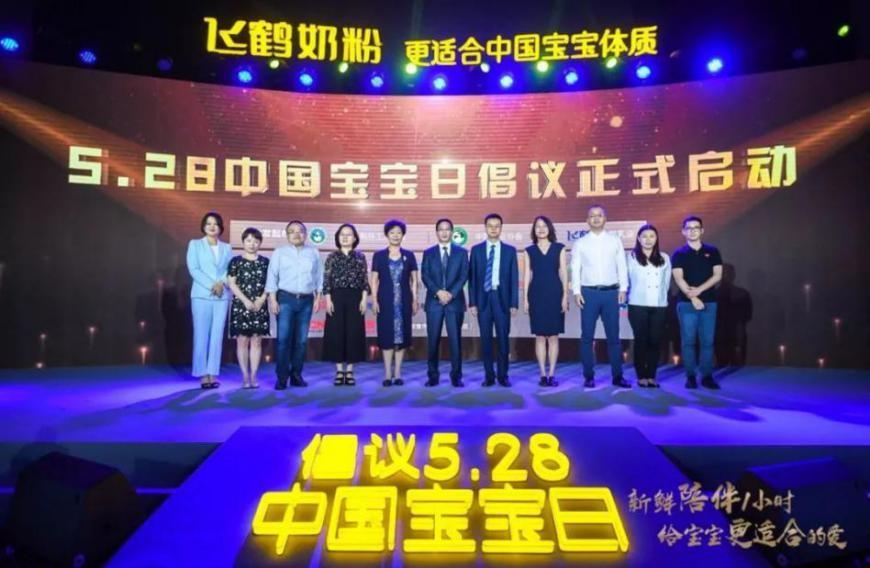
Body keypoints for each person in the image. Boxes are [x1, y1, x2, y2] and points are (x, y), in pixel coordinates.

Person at [570, 205, 631, 389]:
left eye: (599, 215)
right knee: (587, 337)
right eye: (592, 216)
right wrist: (576, 291)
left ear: (605, 219)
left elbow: (622, 265)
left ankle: (617, 376)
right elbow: (575, 268)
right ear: (587, 220)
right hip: (588, 293)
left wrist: (623, 288)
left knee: (614, 337)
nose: (596, 218)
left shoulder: (615, 240)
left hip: (611, 293)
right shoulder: (580, 243)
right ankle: (588, 376)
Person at [265, 220, 323, 389]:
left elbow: (319, 276)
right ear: (287, 235)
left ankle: (296, 375)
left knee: (301, 341)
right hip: (285, 299)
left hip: (306, 300)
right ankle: (282, 377)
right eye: (292, 231)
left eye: (300, 231)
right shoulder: (280, 252)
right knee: (283, 340)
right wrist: (273, 299)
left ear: (305, 234)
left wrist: (318, 297)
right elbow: (272, 276)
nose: (297, 234)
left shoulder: (313, 252)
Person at [672, 215, 723, 389]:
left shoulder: (712, 251)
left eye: (696, 228)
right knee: (688, 341)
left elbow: (717, 275)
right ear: (683, 231)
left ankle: (707, 376)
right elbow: (678, 278)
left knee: (707, 341)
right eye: (689, 228)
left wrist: (699, 291)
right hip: (686, 303)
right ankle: (691, 376)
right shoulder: (679, 253)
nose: (692, 231)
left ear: (702, 230)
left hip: (709, 302)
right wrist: (693, 297)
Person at [469, 213, 518, 387]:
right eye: (490, 226)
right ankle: (489, 376)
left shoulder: (510, 251)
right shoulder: (476, 250)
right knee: (486, 340)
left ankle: (503, 375)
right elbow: (472, 279)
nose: (493, 229)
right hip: (483, 299)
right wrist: (472, 302)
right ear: (485, 228)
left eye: (497, 226)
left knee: (503, 339)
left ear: (501, 228)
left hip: (502, 299)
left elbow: (513, 278)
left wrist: (514, 303)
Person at [421, 218, 469, 387]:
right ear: (436, 232)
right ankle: (433, 376)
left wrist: (451, 293)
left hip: (454, 302)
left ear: (452, 232)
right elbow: (425, 275)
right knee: (433, 341)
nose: (444, 232)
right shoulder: (429, 253)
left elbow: (464, 275)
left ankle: (456, 376)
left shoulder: (461, 253)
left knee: (455, 341)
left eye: (447, 229)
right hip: (434, 302)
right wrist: (438, 292)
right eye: (441, 229)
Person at [186, 211, 231, 389]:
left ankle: (213, 373)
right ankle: (202, 374)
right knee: (201, 334)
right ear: (203, 226)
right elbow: (194, 269)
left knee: (217, 336)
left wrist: (221, 283)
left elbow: (230, 270)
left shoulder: (226, 247)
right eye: (208, 223)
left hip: (222, 296)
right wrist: (212, 285)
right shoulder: (195, 244)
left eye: (215, 224)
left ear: (220, 227)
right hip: (202, 295)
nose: (212, 227)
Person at [370, 220, 419, 387]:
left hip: (403, 301)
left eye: (399, 232)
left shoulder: (409, 255)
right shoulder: (379, 256)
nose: (396, 236)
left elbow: (414, 280)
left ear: (403, 235)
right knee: (386, 337)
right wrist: (374, 300)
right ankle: (387, 374)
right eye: (392, 232)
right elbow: (374, 280)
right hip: (385, 301)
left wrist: (415, 299)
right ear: (387, 235)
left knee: (401, 337)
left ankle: (397, 373)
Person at [322, 223, 369, 387]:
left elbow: (364, 280)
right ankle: (339, 371)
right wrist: (328, 300)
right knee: (336, 333)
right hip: (336, 297)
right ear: (337, 237)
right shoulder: (332, 257)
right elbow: (326, 280)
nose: (345, 237)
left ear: (354, 238)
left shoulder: (360, 257)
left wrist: (364, 299)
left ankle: (349, 370)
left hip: (355, 297)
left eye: (349, 234)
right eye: (342, 234)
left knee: (353, 333)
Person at [524, 215, 568, 387]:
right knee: (540, 336)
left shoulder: (559, 248)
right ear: (534, 230)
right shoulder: (529, 250)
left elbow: (564, 273)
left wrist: (565, 296)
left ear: (549, 228)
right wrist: (525, 299)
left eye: (544, 226)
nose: (541, 229)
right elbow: (527, 276)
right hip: (536, 295)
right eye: (537, 226)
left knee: (553, 336)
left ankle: (552, 374)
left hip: (555, 294)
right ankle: (543, 374)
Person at [626, 224, 671, 388]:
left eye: (652, 236)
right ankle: (641, 375)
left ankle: (651, 375)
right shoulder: (631, 257)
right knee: (641, 340)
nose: (648, 239)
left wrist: (662, 299)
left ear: (656, 238)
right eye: (644, 236)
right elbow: (626, 279)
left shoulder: (664, 258)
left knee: (655, 340)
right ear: (639, 239)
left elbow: (666, 283)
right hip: (637, 304)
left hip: (659, 305)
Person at [226, 227, 270, 389]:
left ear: (260, 243)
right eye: (249, 241)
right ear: (243, 242)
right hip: (241, 305)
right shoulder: (235, 261)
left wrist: (261, 300)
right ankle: (245, 375)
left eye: (256, 241)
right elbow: (232, 283)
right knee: (242, 341)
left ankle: (254, 375)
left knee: (257, 341)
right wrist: (245, 300)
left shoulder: (266, 262)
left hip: (260, 306)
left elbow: (270, 283)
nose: (252, 244)